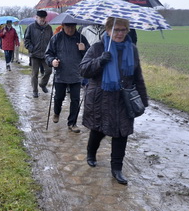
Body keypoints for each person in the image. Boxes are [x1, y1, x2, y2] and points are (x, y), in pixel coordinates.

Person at [79, 17, 148, 185]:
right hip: (100, 98)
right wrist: (100, 61)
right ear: (108, 30)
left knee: (122, 133)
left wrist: (142, 99)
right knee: (98, 130)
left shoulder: (132, 49)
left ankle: (117, 168)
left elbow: (137, 75)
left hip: (123, 100)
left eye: (123, 30)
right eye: (116, 29)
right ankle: (91, 152)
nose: (119, 33)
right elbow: (83, 70)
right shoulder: (97, 48)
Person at [45, 22, 90, 133]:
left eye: (73, 27)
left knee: (75, 100)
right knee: (59, 97)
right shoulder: (56, 38)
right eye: (68, 27)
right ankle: (56, 112)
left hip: (76, 74)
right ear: (63, 26)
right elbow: (48, 54)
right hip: (61, 73)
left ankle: (72, 123)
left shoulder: (81, 38)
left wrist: (83, 49)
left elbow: (89, 56)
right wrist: (52, 61)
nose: (70, 29)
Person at [24, 10, 53, 98]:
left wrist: (52, 51)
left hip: (45, 55)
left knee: (49, 70)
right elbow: (26, 40)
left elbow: (52, 41)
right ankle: (35, 91)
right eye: (40, 18)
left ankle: (42, 84)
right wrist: (31, 48)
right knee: (35, 73)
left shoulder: (49, 28)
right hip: (35, 55)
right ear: (36, 18)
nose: (42, 19)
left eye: (44, 18)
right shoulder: (31, 27)